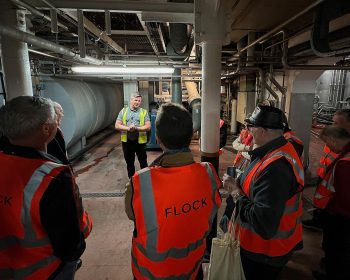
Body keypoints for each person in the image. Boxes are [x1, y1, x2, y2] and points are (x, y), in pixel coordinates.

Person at [124, 103, 221, 279]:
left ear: (158, 138)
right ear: (191, 135)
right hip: (192, 268)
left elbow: (133, 215)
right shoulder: (208, 173)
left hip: (151, 274)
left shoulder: (140, 182)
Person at [0, 96, 91, 279]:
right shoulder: (52, 177)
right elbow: (69, 245)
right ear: (46, 129)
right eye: (55, 121)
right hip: (44, 270)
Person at [223, 105, 304, 280]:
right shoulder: (271, 151)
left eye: (251, 127)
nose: (249, 130)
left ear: (262, 130)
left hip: (263, 252)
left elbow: (263, 223)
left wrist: (236, 192)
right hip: (261, 249)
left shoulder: (276, 167)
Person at [312, 126, 350, 280]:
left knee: (339, 251)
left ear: (334, 140)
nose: (328, 147)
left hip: (341, 218)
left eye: (327, 143)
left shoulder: (346, 163)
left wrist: (329, 212)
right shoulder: (345, 155)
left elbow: (344, 198)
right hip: (340, 216)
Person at [303, 109, 350, 231]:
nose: (332, 126)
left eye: (336, 123)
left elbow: (343, 198)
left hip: (338, 213)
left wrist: (332, 213)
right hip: (328, 176)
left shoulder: (345, 161)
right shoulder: (338, 142)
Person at [115, 93, 151, 178]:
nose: (138, 102)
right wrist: (128, 128)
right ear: (131, 100)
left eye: (139, 101)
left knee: (143, 163)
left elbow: (148, 126)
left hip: (140, 142)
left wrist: (137, 128)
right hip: (127, 142)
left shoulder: (143, 112)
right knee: (129, 163)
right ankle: (132, 182)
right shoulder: (123, 111)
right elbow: (117, 125)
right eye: (136, 100)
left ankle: (145, 181)